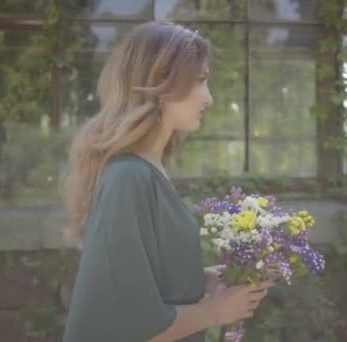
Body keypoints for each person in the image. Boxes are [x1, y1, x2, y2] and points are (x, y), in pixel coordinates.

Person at [61, 21, 273, 342]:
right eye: (200, 81)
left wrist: (205, 281)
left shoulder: (150, 169)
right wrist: (217, 311)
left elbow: (141, 281)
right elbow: (133, 325)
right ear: (161, 84)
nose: (209, 98)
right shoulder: (128, 178)